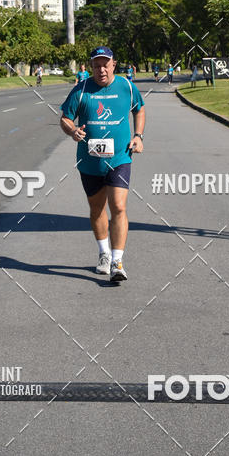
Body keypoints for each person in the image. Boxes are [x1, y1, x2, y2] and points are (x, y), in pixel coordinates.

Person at [60, 46, 145, 283]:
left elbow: (139, 109)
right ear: (91, 67)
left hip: (119, 158)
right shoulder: (82, 88)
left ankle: (118, 261)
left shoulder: (127, 87)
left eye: (105, 64)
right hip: (90, 162)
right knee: (97, 209)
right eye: (96, 65)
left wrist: (138, 136)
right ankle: (104, 253)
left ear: (113, 65)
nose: (101, 70)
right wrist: (73, 131)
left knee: (118, 206)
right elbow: (65, 118)